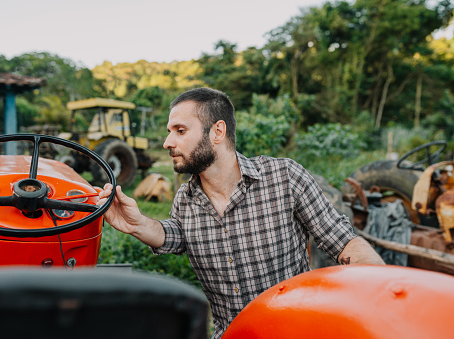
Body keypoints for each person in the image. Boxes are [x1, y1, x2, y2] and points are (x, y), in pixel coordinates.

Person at [97, 87, 385, 339]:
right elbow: (175, 236)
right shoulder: (185, 199)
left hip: (293, 331)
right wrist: (136, 224)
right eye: (169, 132)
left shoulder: (285, 177)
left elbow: (343, 241)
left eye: (180, 131)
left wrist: (379, 284)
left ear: (217, 132)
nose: (167, 142)